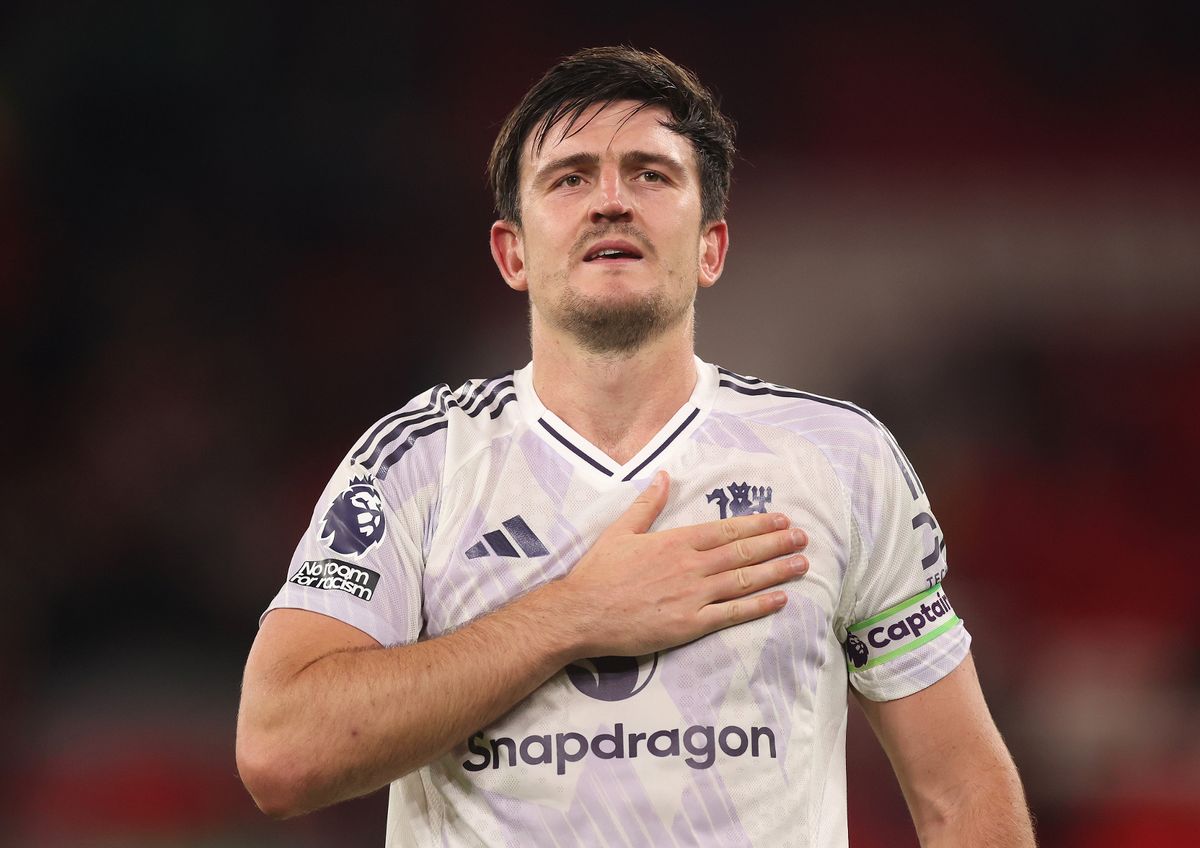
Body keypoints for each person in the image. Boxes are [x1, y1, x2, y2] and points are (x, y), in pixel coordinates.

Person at [236, 46, 1036, 847]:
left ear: (711, 247)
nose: (611, 201)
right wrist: (575, 613)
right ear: (512, 253)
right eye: (570, 177)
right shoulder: (419, 462)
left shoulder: (840, 461)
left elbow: (962, 788)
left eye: (651, 174)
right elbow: (279, 752)